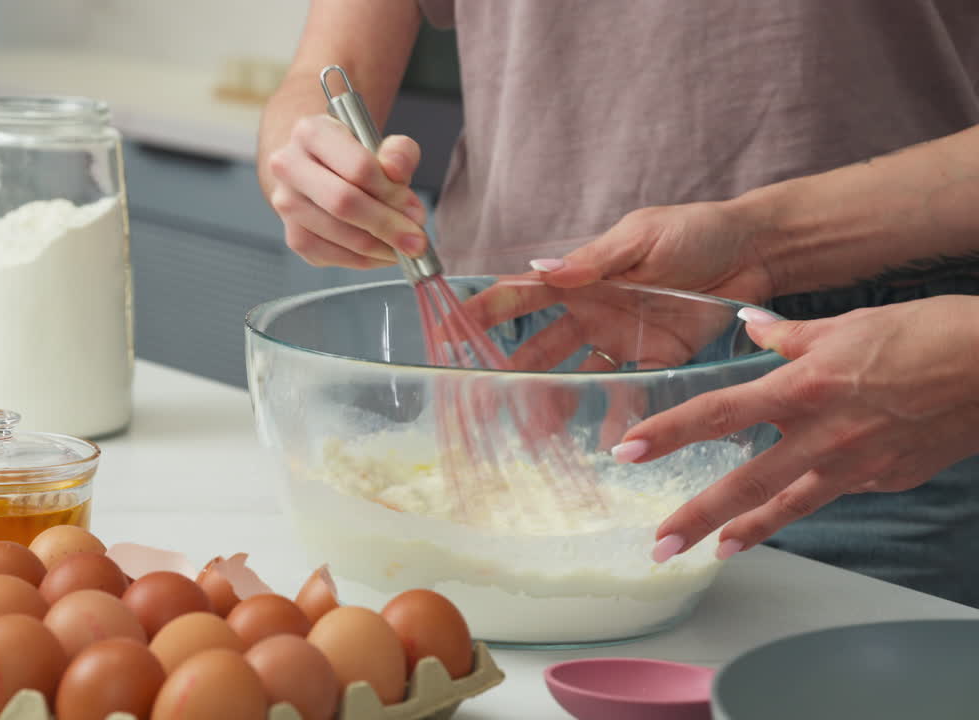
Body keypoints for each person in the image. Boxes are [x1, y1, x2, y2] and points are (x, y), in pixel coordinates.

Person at [256, 0, 979, 606]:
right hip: (520, 360)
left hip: (896, 368)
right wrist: (314, 170)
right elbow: (320, 76)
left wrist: (770, 244)